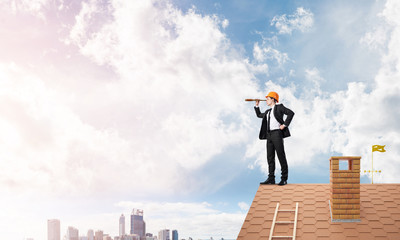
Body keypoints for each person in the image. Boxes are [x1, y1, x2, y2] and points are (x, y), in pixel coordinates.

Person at [254, 91, 294, 186]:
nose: (266, 101)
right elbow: (259, 115)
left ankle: (284, 178)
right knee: (270, 157)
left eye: (268, 99)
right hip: (269, 135)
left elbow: (291, 113)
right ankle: (271, 178)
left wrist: (284, 124)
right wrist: (257, 106)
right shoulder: (268, 112)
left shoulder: (279, 107)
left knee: (281, 155)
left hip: (277, 134)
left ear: (273, 99)